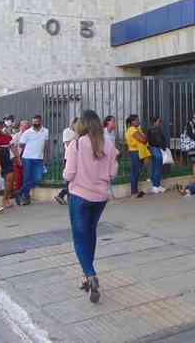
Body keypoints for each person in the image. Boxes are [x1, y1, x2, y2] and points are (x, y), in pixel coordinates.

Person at [63, 110, 119, 304]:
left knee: (79, 238)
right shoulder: (109, 144)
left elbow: (68, 174)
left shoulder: (76, 144)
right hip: (100, 197)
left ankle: (91, 274)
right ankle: (86, 276)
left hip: (79, 195)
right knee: (91, 233)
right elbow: (112, 172)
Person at [19, 115, 51, 205]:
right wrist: (30, 148)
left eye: (37, 122)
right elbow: (21, 145)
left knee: (37, 178)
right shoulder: (27, 132)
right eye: (33, 122)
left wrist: (47, 157)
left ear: (41, 121)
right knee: (27, 178)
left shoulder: (45, 131)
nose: (35, 123)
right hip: (27, 158)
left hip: (39, 158)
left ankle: (19, 192)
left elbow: (47, 145)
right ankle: (26, 196)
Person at [124, 114, 150, 199]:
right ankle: (133, 193)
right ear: (132, 122)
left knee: (137, 172)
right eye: (137, 120)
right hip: (135, 152)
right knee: (135, 172)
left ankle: (135, 191)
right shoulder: (132, 130)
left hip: (138, 152)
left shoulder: (136, 129)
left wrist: (144, 138)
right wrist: (144, 137)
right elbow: (144, 139)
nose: (139, 121)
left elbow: (144, 139)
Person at [55, 118, 79, 205]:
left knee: (76, 179)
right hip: (68, 157)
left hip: (78, 158)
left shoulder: (79, 132)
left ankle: (63, 195)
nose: (79, 126)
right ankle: (63, 195)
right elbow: (68, 144)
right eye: (78, 124)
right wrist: (76, 136)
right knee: (70, 179)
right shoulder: (67, 131)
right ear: (73, 123)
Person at [0, 122, 17, 209]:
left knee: (10, 179)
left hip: (6, 159)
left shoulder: (7, 137)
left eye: (0, 127)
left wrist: (17, 158)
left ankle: (5, 199)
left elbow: (13, 147)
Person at [146, 117, 167, 194]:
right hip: (156, 148)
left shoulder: (149, 129)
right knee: (157, 168)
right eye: (159, 121)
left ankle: (157, 186)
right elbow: (159, 140)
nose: (161, 123)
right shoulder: (156, 129)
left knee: (155, 167)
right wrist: (164, 147)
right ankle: (155, 186)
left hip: (152, 148)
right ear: (155, 122)